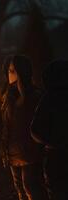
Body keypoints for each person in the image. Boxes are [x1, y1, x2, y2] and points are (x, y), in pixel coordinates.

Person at [0, 55, 48, 200]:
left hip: (29, 151)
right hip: (13, 151)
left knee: (31, 187)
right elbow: (7, 122)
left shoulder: (33, 95)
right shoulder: (8, 96)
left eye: (13, 71)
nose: (10, 75)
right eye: (9, 71)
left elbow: (35, 123)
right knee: (20, 190)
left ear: (23, 72)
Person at [31, 60, 68, 200]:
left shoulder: (48, 98)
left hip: (55, 157)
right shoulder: (48, 98)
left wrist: (51, 142)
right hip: (55, 156)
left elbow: (35, 129)